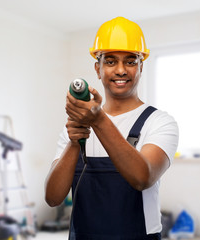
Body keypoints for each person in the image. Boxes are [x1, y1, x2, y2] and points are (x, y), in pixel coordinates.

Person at [45, 16, 179, 240]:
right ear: (97, 69)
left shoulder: (159, 122)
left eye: (130, 61)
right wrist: (74, 141)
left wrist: (98, 120)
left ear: (140, 67)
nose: (120, 70)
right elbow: (53, 198)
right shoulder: (74, 129)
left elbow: (142, 177)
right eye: (110, 61)